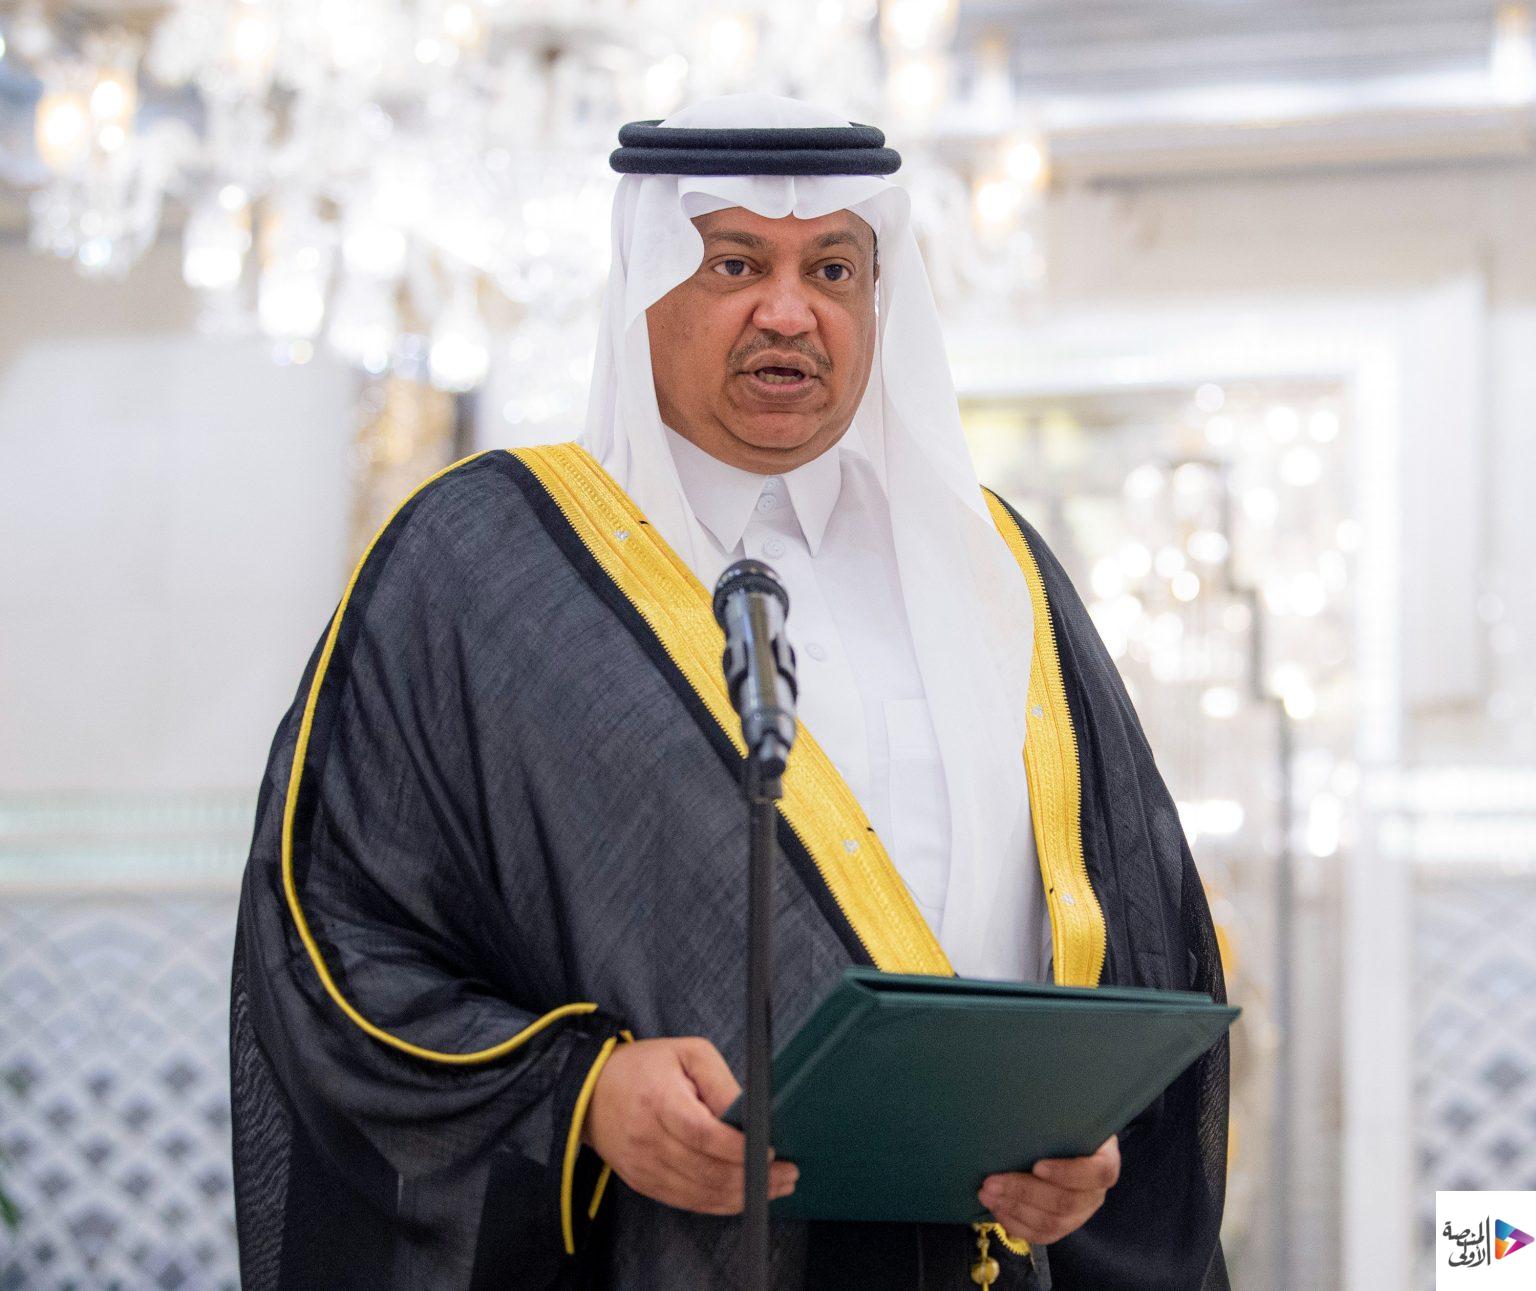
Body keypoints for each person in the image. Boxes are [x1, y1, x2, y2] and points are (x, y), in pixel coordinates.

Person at [230, 94, 1230, 1290]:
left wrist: (1088, 1140)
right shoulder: (481, 566)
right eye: (735, 263)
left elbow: (1141, 920)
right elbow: (333, 933)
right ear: (645, 284)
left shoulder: (994, 566)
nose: (789, 312)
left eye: (833, 268)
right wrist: (584, 1092)